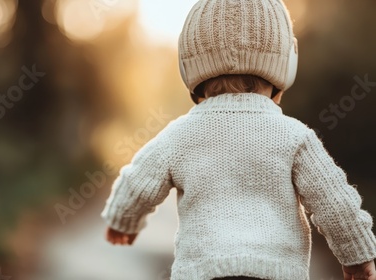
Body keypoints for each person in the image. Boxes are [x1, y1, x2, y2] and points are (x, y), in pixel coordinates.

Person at [101, 0, 376, 279]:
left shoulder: (180, 134)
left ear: (188, 68)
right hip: (276, 272)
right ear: (286, 65)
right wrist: (357, 255)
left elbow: (138, 181)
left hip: (203, 272)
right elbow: (334, 201)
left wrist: (122, 220)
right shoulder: (294, 136)